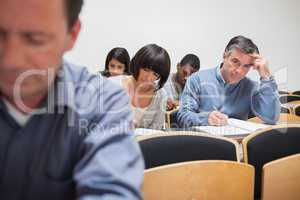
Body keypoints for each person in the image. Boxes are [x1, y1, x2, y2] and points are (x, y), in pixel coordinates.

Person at [0, 0, 144, 199]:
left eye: (35, 39)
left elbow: (112, 191)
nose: (10, 60)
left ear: (72, 34)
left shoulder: (103, 101)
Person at [178, 35, 280, 127]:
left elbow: (271, 118)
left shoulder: (251, 87)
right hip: (203, 143)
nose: (239, 70)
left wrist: (266, 76)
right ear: (225, 56)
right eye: (235, 61)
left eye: (246, 66)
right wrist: (206, 119)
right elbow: (183, 116)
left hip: (236, 144)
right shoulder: (197, 79)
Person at [110, 44, 170, 129]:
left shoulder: (161, 95)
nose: (148, 78)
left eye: (155, 74)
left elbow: (156, 133)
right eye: (146, 70)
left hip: (144, 142)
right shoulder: (114, 85)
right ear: (138, 64)